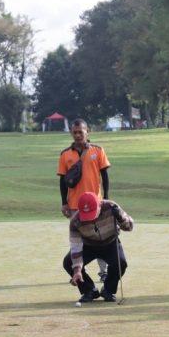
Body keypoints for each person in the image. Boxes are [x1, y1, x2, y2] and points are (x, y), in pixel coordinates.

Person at [57, 119, 112, 283]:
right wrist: (64, 203)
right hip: (75, 205)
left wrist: (106, 198)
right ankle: (80, 271)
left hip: (97, 205)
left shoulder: (98, 150)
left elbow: (105, 176)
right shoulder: (65, 154)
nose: (78, 135)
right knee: (78, 240)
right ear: (71, 133)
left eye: (80, 132)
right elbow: (62, 181)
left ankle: (104, 272)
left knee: (101, 237)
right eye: (74, 132)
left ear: (87, 131)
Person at [63, 192, 133, 303]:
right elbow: (76, 247)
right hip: (88, 245)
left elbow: (129, 227)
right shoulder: (75, 221)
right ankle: (89, 290)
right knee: (69, 263)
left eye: (92, 213)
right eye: (86, 215)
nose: (90, 219)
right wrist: (77, 270)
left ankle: (108, 290)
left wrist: (121, 218)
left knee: (121, 263)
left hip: (110, 243)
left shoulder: (111, 207)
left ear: (99, 205)